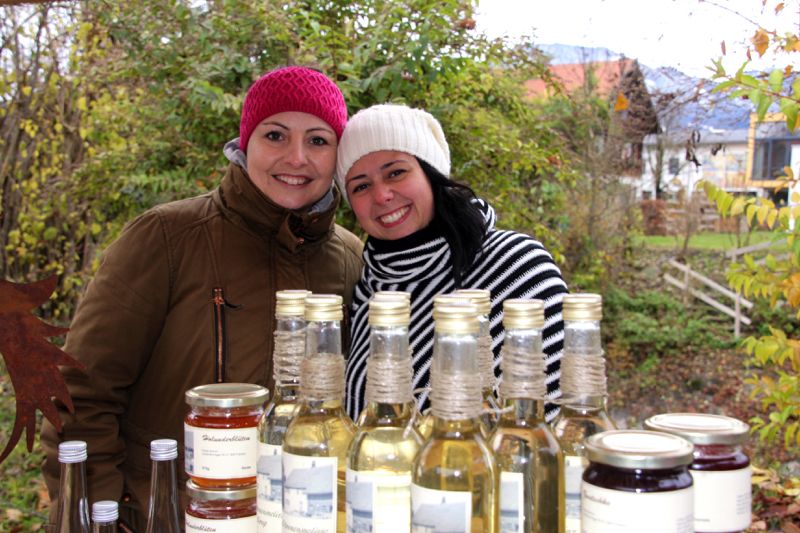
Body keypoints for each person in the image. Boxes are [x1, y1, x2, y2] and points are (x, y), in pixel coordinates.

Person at [40, 66, 364, 530]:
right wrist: (104, 517)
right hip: (164, 517)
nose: (297, 157)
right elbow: (80, 396)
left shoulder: (351, 259)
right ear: (245, 144)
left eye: (318, 140)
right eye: (275, 135)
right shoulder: (167, 238)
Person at [336, 104, 567, 421]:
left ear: (431, 173)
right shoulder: (370, 287)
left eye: (396, 172)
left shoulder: (517, 264)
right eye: (361, 186)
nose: (382, 195)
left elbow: (556, 417)